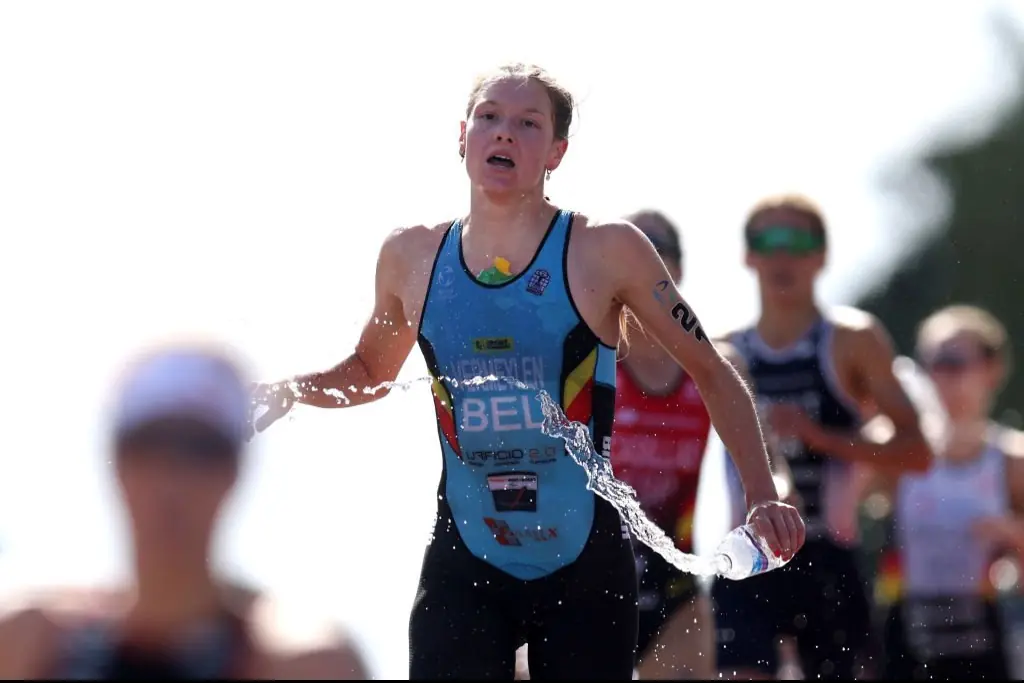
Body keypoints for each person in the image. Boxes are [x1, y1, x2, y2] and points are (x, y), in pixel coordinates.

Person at [249, 62, 805, 680]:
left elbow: (711, 369)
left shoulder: (604, 249)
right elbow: (369, 371)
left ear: (557, 152)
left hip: (585, 564)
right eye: (488, 117)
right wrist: (291, 390)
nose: (503, 133)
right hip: (467, 556)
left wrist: (760, 496)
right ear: (462, 136)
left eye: (527, 123)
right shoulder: (410, 256)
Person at [0, 344, 369, 680]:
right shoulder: (27, 643)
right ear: (116, 464)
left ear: (235, 473)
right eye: (150, 445)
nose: (171, 480)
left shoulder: (301, 661)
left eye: (200, 450)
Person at [712, 194, 931, 680]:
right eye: (767, 242)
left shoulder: (853, 339)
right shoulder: (724, 351)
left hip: (829, 558)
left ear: (822, 255)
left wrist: (821, 438)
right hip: (749, 557)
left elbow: (918, 453)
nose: (781, 255)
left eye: (797, 242)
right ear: (748, 256)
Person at [870, 305, 1024, 680]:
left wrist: (1010, 533)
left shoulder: (1012, 460)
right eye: (932, 364)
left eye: (953, 363)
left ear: (992, 371)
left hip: (987, 639)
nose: (940, 377)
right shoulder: (895, 452)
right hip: (907, 638)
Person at [610, 210, 715, 680]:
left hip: (673, 582)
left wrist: (777, 489)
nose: (642, 261)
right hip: (590, 577)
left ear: (679, 270)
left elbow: (767, 460)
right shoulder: (583, 364)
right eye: (630, 251)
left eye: (655, 250)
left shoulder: (715, 367)